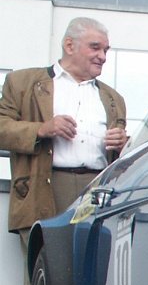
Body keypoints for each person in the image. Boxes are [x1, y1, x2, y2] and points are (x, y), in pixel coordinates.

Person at [0, 17, 129, 264]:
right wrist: (41, 129)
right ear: (69, 46)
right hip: (42, 189)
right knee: (47, 272)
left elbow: (124, 154)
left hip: (96, 191)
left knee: (93, 270)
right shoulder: (22, 83)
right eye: (95, 47)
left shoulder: (113, 98)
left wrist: (123, 143)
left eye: (106, 50)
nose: (102, 56)